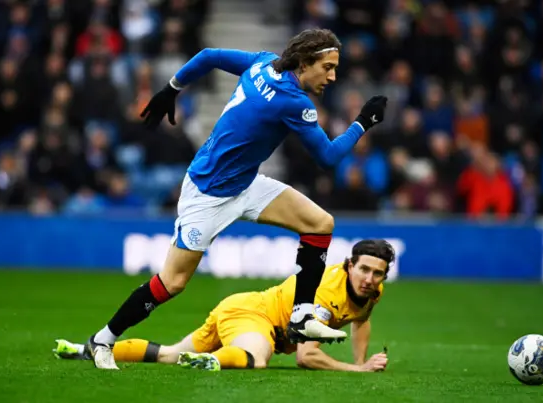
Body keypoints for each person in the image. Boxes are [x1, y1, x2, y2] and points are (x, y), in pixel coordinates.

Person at [86, 28, 389, 369]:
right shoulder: (296, 103)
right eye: (328, 67)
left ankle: (302, 313)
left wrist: (171, 88)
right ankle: (103, 339)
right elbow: (329, 158)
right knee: (172, 283)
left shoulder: (263, 64)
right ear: (305, 63)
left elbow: (209, 56)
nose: (333, 76)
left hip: (244, 184)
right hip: (207, 195)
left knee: (320, 223)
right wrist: (363, 122)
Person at [57, 240, 394, 372]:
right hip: (252, 315)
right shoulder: (326, 293)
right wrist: (357, 370)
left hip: (241, 309)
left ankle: (85, 349)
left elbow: (360, 320)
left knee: (169, 355)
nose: (369, 278)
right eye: (363, 269)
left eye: (377, 273)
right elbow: (307, 357)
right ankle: (211, 360)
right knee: (257, 360)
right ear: (349, 265)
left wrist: (362, 358)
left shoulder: (370, 292)